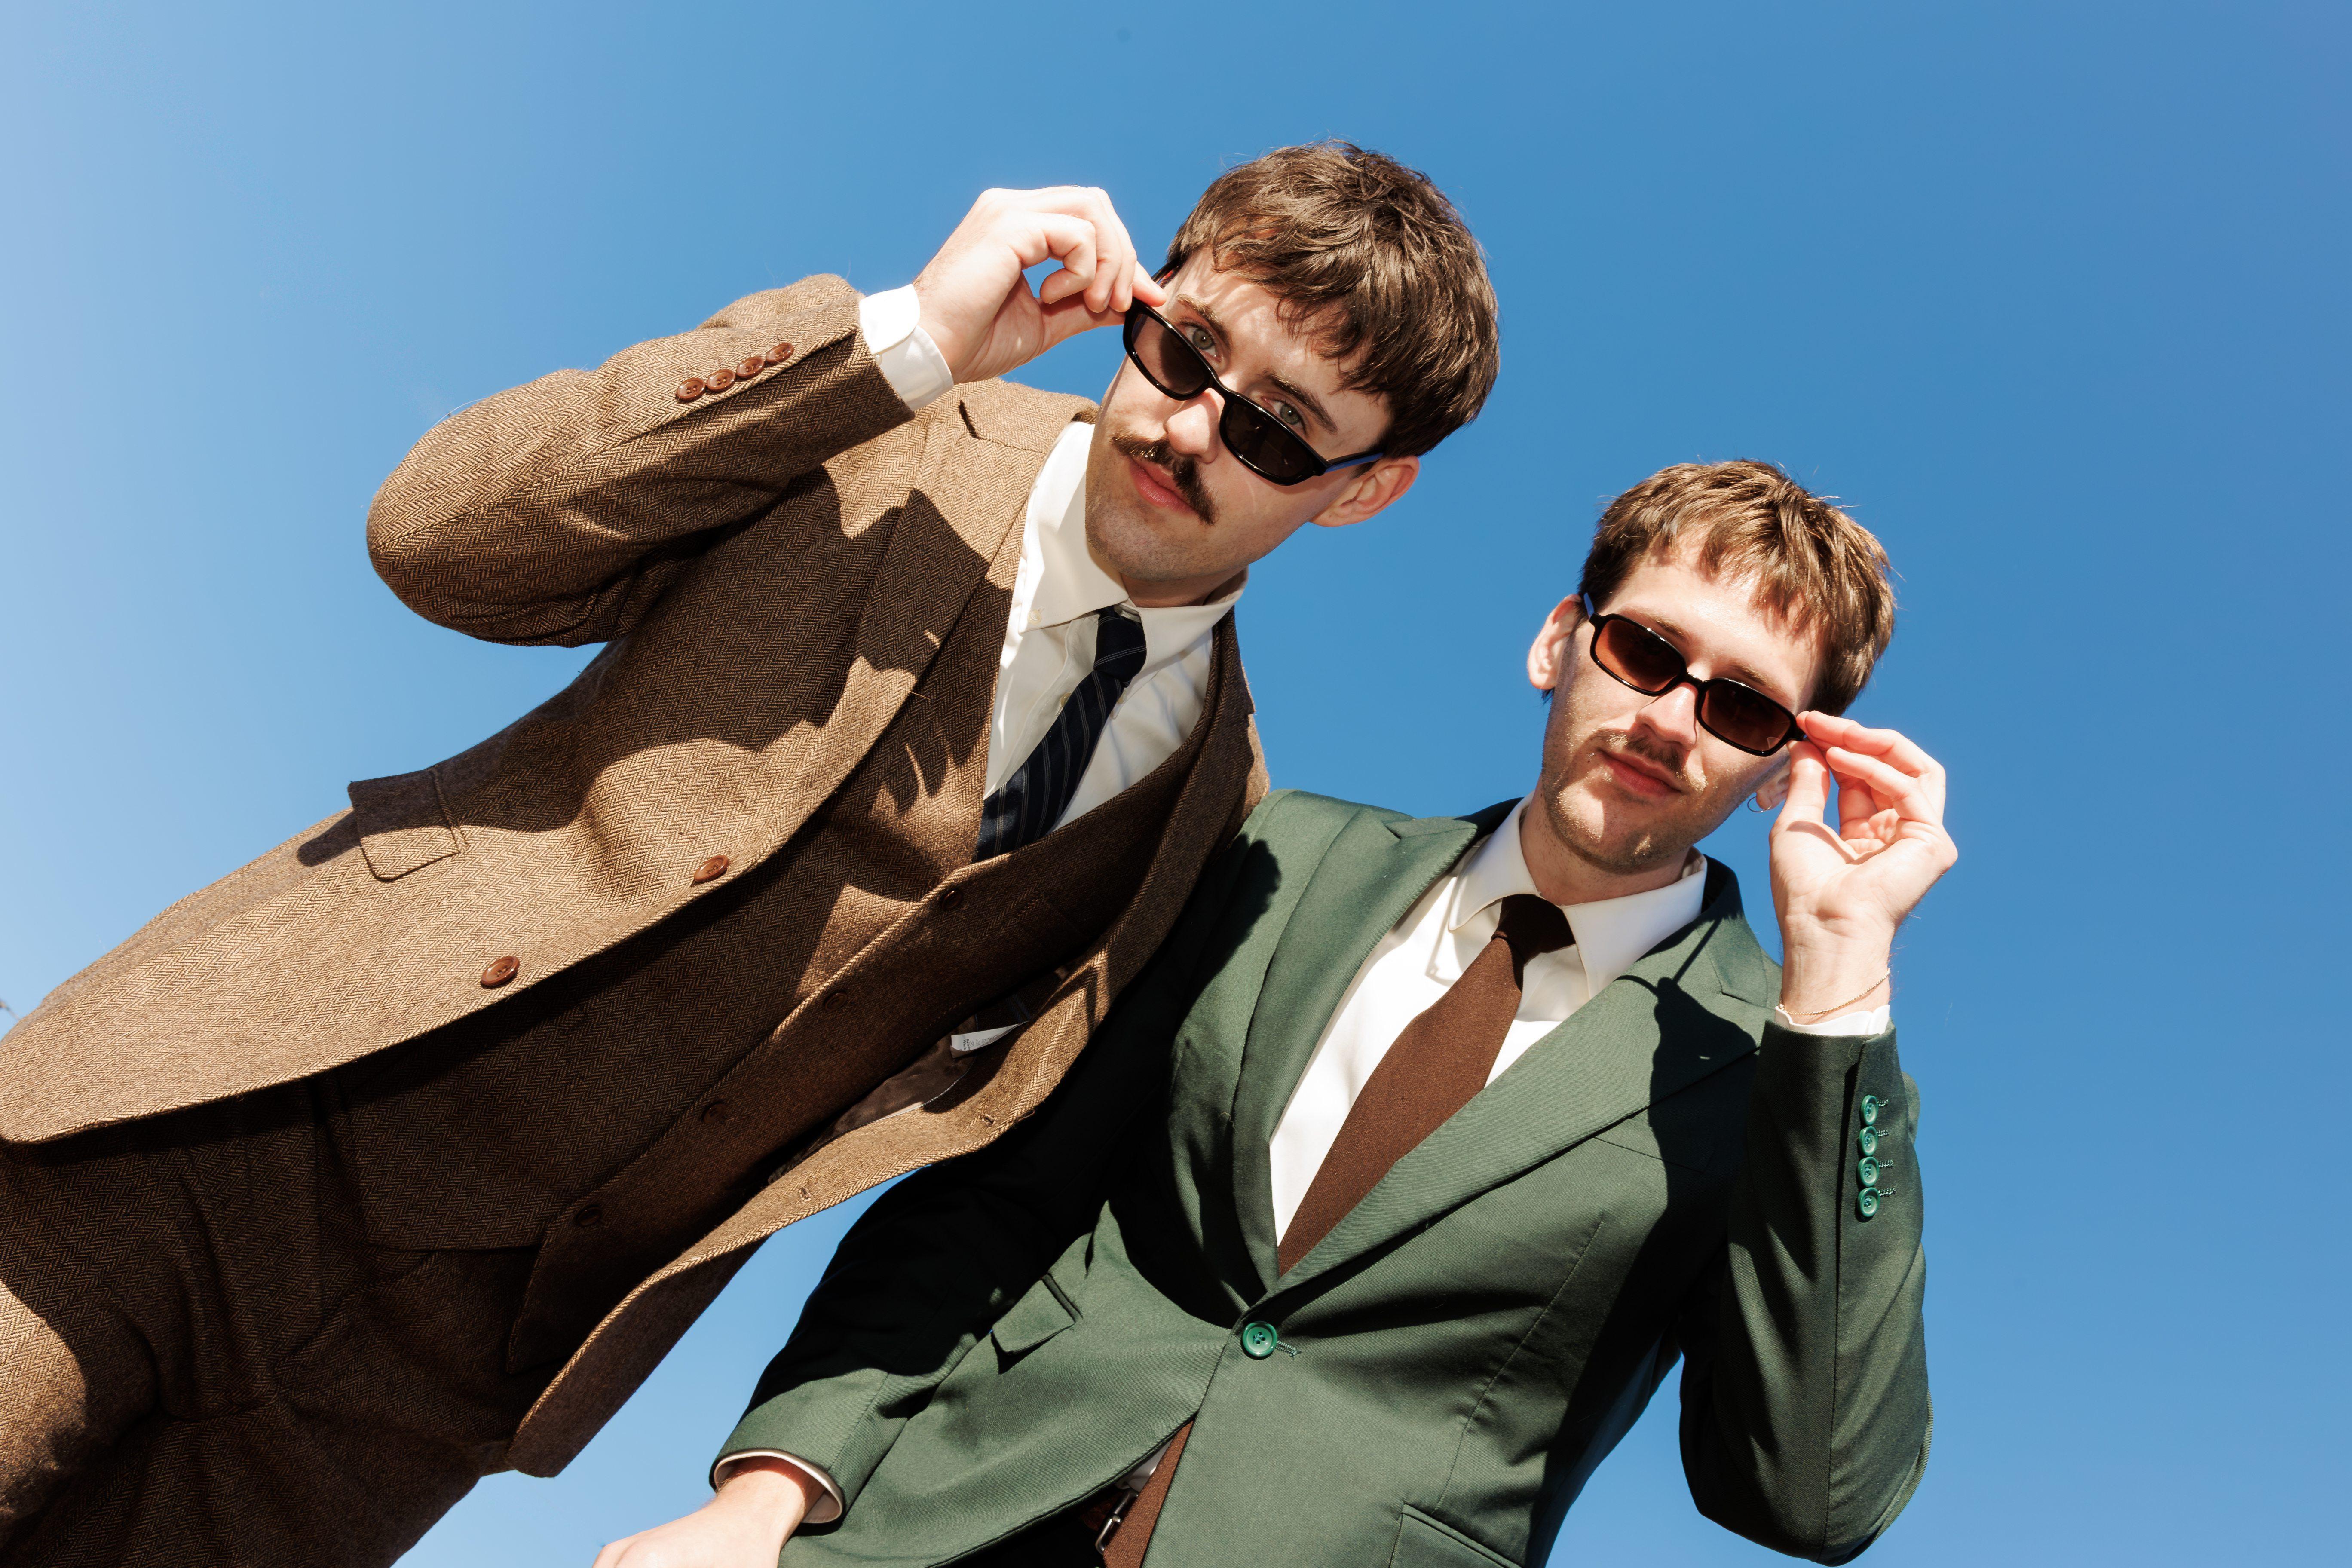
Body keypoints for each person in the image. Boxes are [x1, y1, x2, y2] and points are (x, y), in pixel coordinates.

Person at [0, 144, 1501, 1567]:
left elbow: (1004, 1178)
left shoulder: (1215, 813)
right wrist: (907, 338)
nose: (1188, 428)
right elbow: (436, 538)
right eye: (1184, 351)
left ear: (1366, 487)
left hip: (436, 1383)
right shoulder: (872, 411)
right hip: (214, 1128)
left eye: (1277, 429)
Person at [600, 460, 1951, 1568]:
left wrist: (1840, 981)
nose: (1671, 720)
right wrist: (769, 1491)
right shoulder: (1280, 854)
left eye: (1742, 707)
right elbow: (1002, 1196)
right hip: (928, 1523)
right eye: (1647, 649)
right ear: (1561, 640)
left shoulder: (1775, 1077)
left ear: (1787, 768)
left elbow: (1811, 1497)